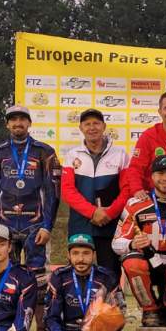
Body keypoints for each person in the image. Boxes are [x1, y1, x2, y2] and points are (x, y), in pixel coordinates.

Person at [0, 105, 61, 331]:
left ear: (29, 123)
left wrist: (47, 226)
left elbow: (52, 193)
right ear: (7, 124)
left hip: (34, 225)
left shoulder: (44, 152)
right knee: (4, 280)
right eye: (13, 120)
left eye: (22, 119)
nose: (18, 123)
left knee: (39, 282)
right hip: (5, 225)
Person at [113, 155, 166, 326]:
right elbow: (116, 243)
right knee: (132, 263)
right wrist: (132, 243)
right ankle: (149, 309)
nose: (165, 178)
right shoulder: (134, 205)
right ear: (152, 176)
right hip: (147, 261)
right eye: (160, 173)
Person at [61, 108, 130, 283]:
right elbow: (67, 191)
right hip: (81, 224)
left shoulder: (120, 154)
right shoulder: (72, 155)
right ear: (81, 128)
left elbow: (127, 190)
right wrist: (93, 212)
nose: (92, 128)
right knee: (78, 272)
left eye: (96, 123)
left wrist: (109, 213)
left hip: (110, 224)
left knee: (111, 273)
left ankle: (112, 300)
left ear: (104, 126)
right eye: (87, 124)